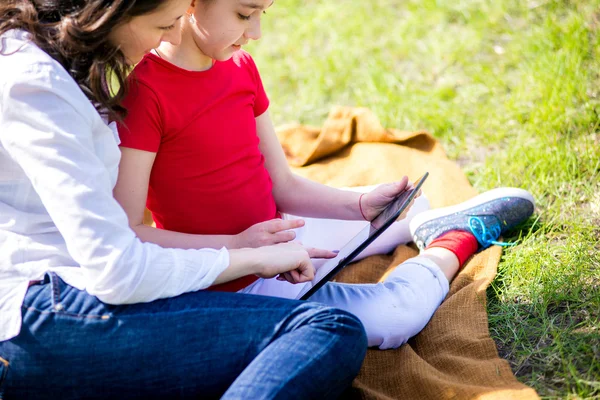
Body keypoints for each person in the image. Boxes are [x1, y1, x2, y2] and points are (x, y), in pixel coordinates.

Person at [114, 0, 537, 350]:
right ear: (189, 4)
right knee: (395, 318)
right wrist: (239, 247)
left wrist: (357, 206)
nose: (256, 32)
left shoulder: (240, 66)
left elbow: (282, 184)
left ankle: (421, 222)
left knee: (405, 207)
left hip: (281, 236)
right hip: (229, 283)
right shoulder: (144, 91)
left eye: (265, 13)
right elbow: (131, 232)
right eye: (244, 15)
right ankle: (454, 239)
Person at [0, 1, 369, 399]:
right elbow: (118, 268)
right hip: (39, 315)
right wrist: (246, 257)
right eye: (166, 23)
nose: (176, 36)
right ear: (112, 12)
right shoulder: (34, 83)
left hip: (77, 294)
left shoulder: (62, 62)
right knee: (327, 330)